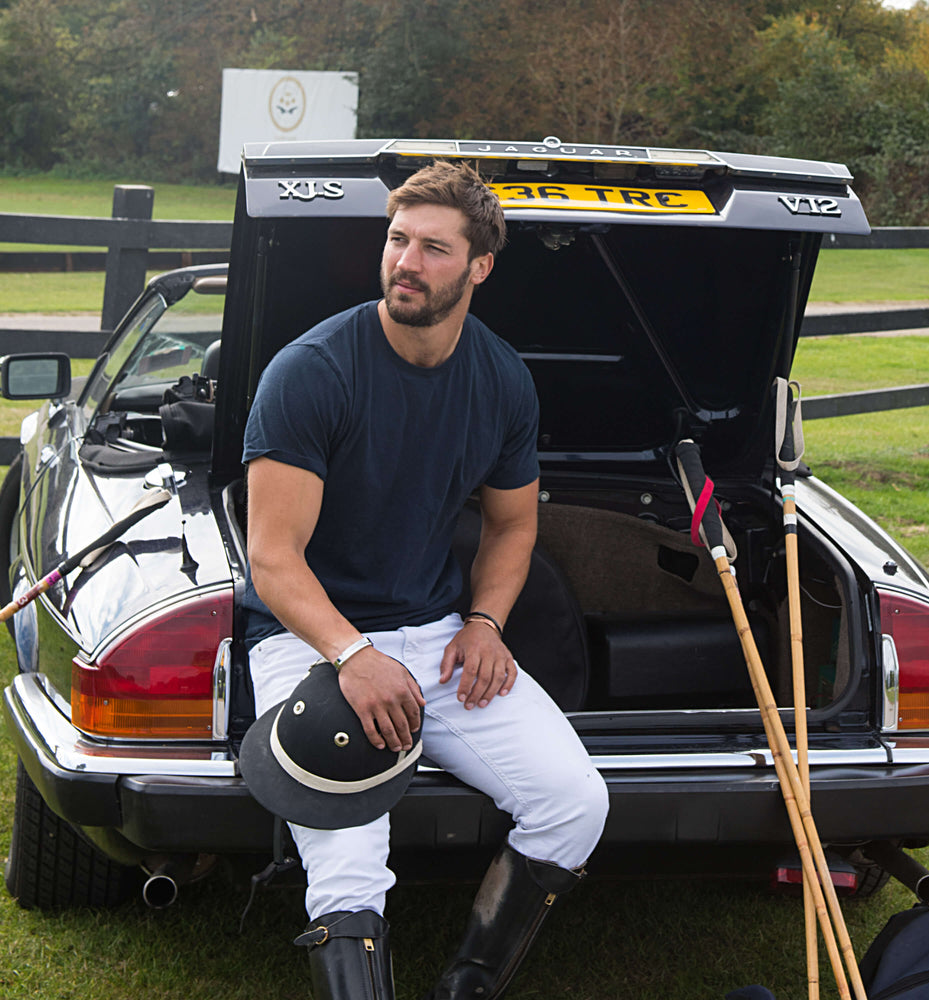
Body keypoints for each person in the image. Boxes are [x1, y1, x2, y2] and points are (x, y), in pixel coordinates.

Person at [242, 160, 609, 1000]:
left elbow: (514, 525)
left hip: (436, 636)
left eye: (434, 248)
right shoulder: (312, 371)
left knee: (575, 803)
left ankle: (463, 991)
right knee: (347, 855)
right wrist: (349, 655)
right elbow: (274, 557)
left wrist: (484, 623)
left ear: (480, 266)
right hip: (308, 638)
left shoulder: (502, 377)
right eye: (397, 239)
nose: (407, 262)